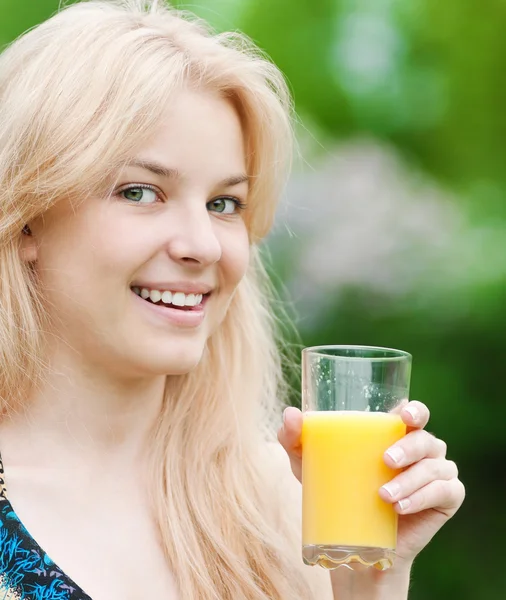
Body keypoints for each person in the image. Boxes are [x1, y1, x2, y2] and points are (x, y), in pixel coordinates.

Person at [0, 1, 465, 599]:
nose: (202, 246)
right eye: (141, 191)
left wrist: (372, 580)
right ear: (28, 217)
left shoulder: (284, 506)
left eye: (225, 204)